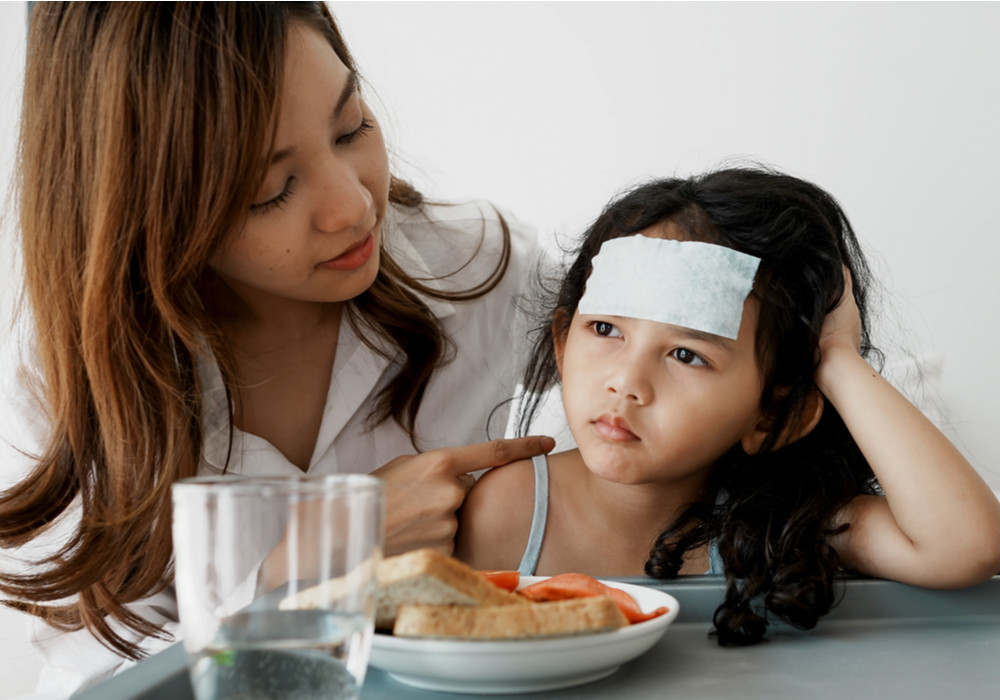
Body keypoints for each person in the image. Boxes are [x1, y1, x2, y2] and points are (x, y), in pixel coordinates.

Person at [0, 2, 554, 695]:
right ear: (147, 205)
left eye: (352, 127)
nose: (352, 207)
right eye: (271, 190)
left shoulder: (488, 276)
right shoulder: (62, 387)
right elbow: (99, 678)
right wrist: (316, 567)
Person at [456, 166, 1000, 645]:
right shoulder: (509, 508)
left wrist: (835, 360)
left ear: (770, 415)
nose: (627, 382)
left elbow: (966, 546)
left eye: (687, 354)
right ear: (562, 342)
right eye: (605, 328)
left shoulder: (787, 524)